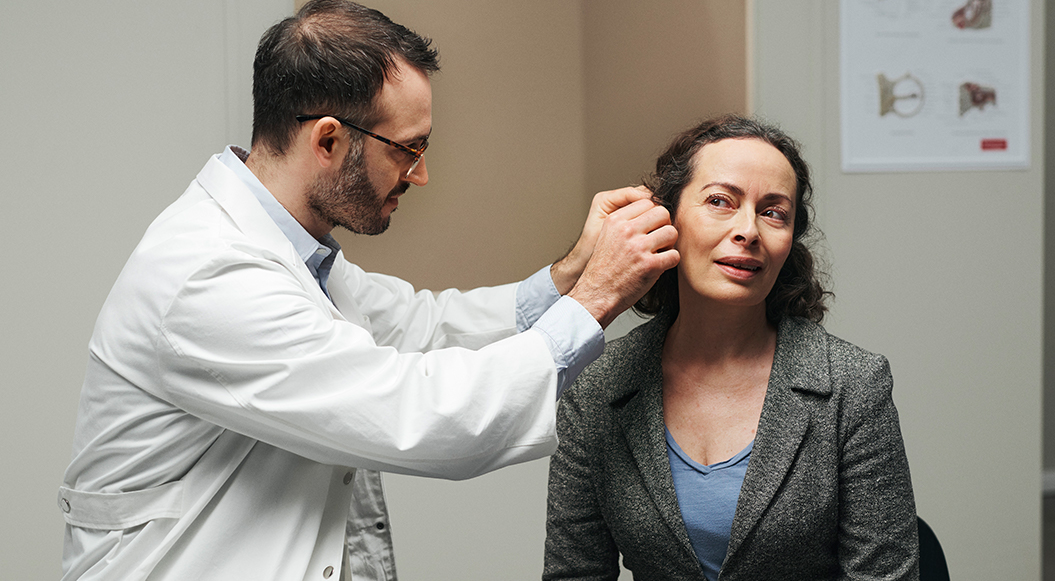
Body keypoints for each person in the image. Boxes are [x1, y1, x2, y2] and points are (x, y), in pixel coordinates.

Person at [57, 2, 678, 580]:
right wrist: (595, 299)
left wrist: (571, 274)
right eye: (409, 149)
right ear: (327, 139)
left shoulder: (293, 250)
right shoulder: (210, 275)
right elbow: (424, 415)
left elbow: (422, 329)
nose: (421, 175)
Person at [543, 115, 918, 581]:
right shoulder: (597, 386)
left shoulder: (852, 385)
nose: (749, 231)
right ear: (666, 220)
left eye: (774, 212)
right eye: (720, 201)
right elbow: (574, 573)